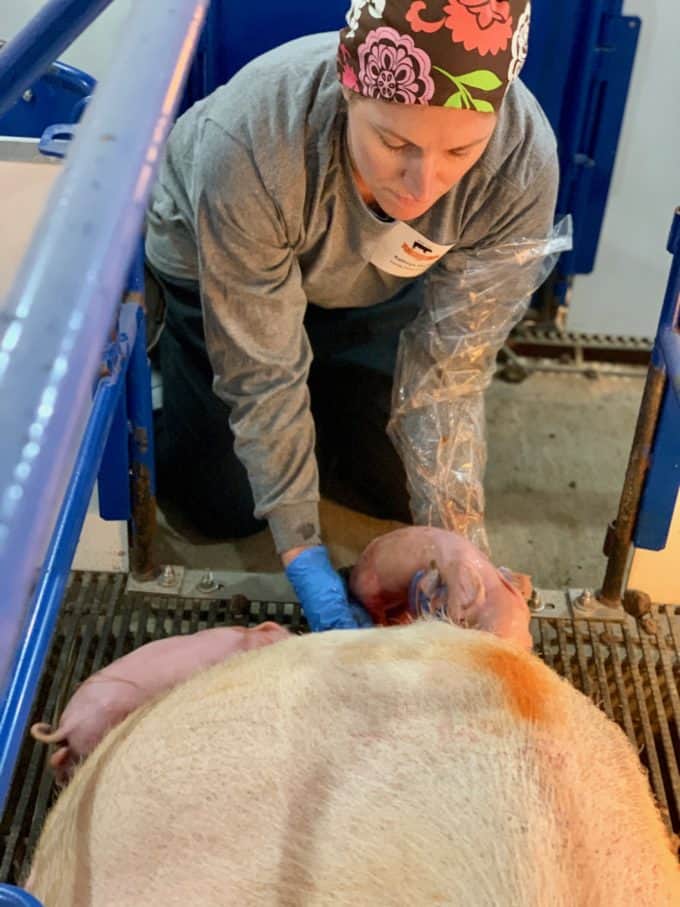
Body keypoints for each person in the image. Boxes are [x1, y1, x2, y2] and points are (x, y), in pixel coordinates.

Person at [145, 0, 565, 632]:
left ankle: (325, 393)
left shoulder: (520, 161)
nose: (424, 187)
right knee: (220, 505)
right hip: (217, 272)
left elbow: (456, 364)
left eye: (461, 150)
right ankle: (175, 366)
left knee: (400, 486)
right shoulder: (254, 137)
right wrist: (302, 551)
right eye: (395, 142)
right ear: (349, 89)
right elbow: (261, 366)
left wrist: (457, 550)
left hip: (373, 284)